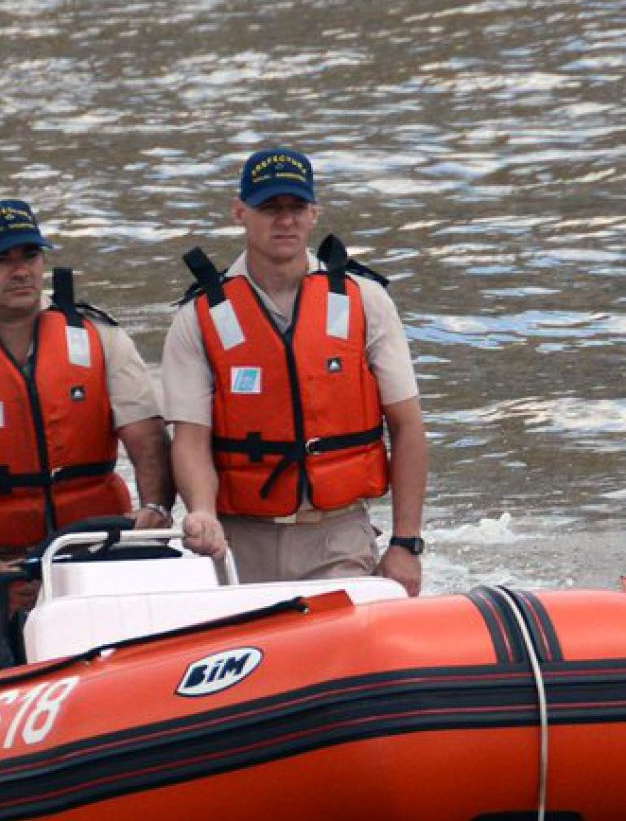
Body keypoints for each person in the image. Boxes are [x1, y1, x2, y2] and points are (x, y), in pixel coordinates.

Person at [0, 199, 174, 689]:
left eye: (29, 256)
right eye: (1, 259)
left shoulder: (100, 339)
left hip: (91, 558)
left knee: (137, 687)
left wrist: (155, 508)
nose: (20, 270)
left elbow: (147, 437)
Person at [160, 147, 428, 596]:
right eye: (269, 208)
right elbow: (190, 438)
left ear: (313, 213)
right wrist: (202, 512)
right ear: (240, 212)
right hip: (238, 538)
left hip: (336, 534)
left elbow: (408, 426)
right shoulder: (199, 317)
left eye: (295, 207)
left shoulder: (365, 301)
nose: (284, 220)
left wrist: (405, 543)